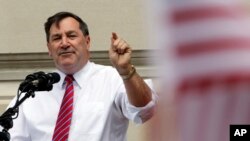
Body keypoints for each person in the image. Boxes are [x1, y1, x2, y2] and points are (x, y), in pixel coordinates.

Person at [7, 11, 157, 141]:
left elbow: (146, 110)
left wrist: (126, 71)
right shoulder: (34, 91)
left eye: (71, 36)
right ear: (49, 48)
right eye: (57, 38)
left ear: (87, 41)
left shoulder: (112, 78)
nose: (64, 43)